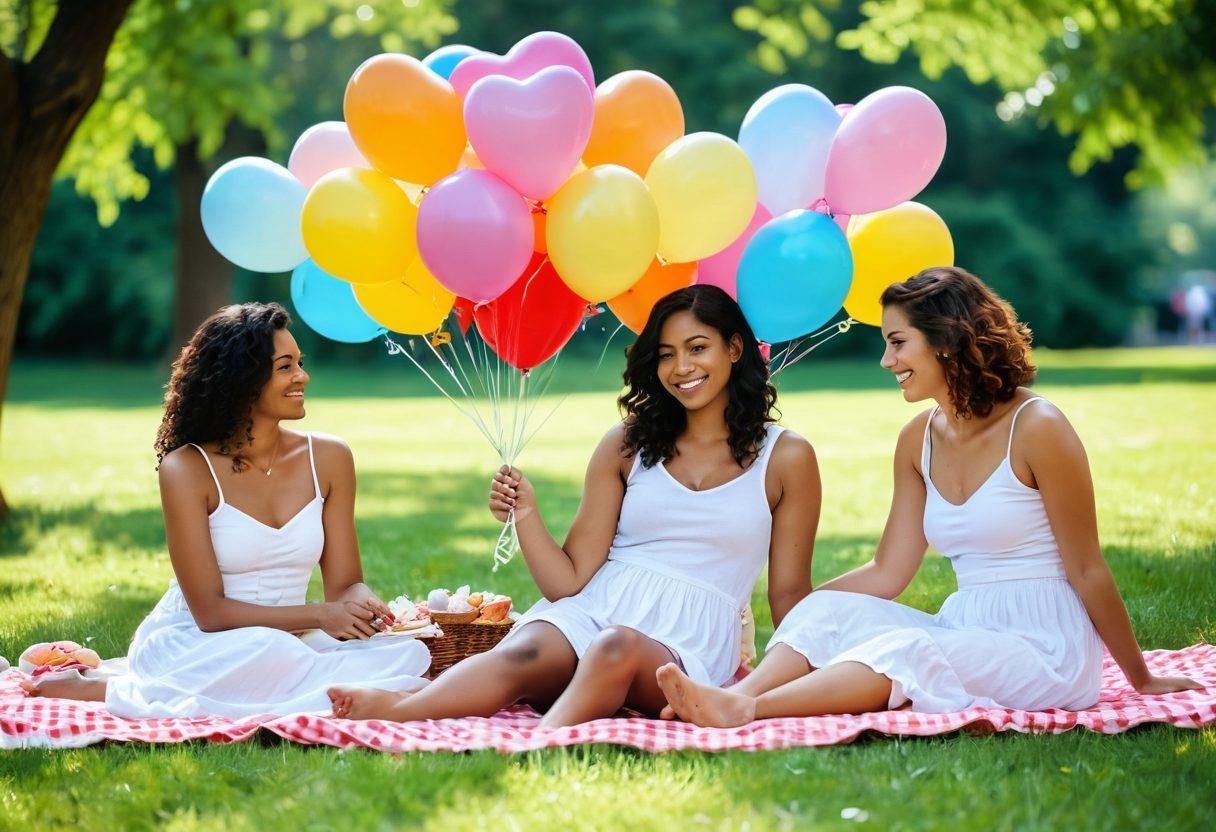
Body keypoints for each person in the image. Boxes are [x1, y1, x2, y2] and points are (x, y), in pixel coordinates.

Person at [655, 267, 1202, 727]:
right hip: (967, 626)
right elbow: (890, 571)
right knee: (829, 610)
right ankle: (738, 696)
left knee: (908, 651)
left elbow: (1087, 569)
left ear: (946, 338)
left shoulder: (1038, 427)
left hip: (1047, 649)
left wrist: (1141, 677)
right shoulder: (918, 438)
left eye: (897, 343)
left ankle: (749, 710)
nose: (887, 361)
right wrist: (816, 613)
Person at [328, 284, 820, 727]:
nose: (682, 368)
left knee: (616, 648)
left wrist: (799, 678)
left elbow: (790, 597)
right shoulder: (628, 444)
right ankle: (401, 710)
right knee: (523, 649)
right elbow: (568, 581)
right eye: (666, 355)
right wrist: (527, 513)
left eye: (697, 349)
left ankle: (543, 741)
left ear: (734, 349)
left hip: (685, 641)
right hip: (595, 605)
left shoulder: (786, 457)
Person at [21, 303, 430, 717]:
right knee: (265, 649)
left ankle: (295, 685)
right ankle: (121, 688)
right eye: (285, 367)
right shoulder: (186, 468)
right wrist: (323, 616)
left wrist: (363, 605)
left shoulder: (329, 457)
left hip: (294, 639)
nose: (302, 377)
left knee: (405, 653)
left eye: (300, 363)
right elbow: (211, 613)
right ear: (242, 379)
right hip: (202, 641)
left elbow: (344, 586)